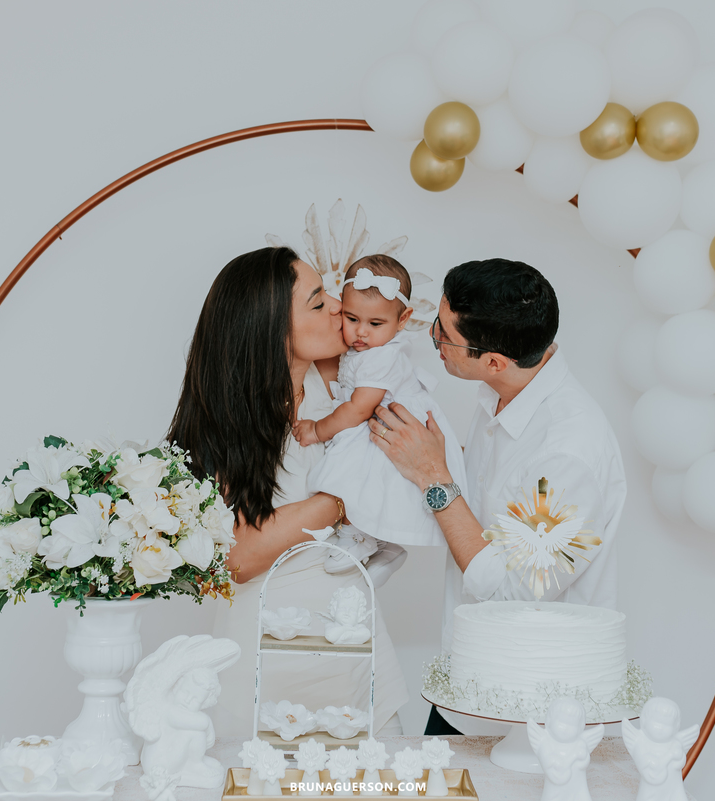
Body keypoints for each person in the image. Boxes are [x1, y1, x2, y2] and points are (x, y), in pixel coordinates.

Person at [367, 258, 627, 736]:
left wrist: (433, 476)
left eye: (443, 335)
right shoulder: (501, 394)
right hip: (467, 683)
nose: (432, 341)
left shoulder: (569, 454)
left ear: (493, 361)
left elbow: (514, 592)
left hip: (531, 710)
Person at [167, 246, 409, 738]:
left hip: (355, 649)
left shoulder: (347, 388)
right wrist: (337, 502)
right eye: (318, 302)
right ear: (270, 326)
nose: (338, 310)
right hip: (266, 655)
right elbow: (240, 554)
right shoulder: (227, 419)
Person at [293, 254, 466, 575]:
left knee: (350, 474)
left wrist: (317, 430)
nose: (360, 332)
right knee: (363, 483)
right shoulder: (364, 349)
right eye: (351, 318)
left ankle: (361, 536)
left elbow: (359, 408)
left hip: (385, 424)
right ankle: (381, 545)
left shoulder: (382, 357)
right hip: (371, 421)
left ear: (403, 320)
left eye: (375, 324)